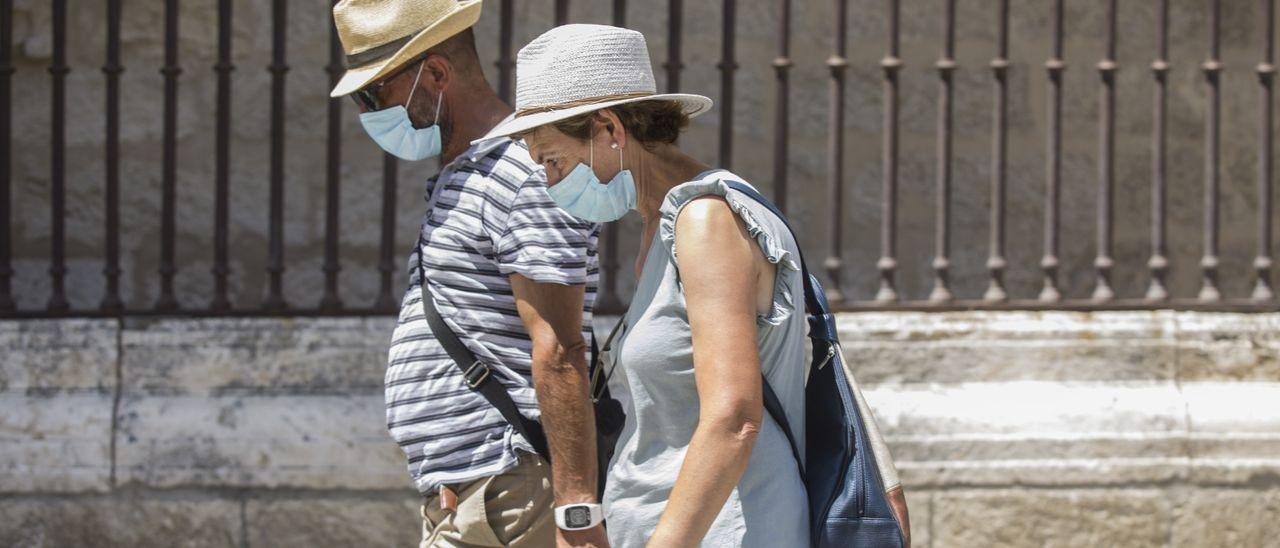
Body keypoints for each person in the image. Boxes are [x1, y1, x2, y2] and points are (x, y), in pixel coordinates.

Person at [480, 24, 809, 547]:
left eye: (553, 160)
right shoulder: (665, 227)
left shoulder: (706, 221)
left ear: (610, 129)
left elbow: (733, 419)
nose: (549, 183)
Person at [330, 3, 609, 547]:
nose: (368, 112)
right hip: (474, 497)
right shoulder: (470, 175)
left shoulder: (522, 171)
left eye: (374, 94)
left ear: (435, 74)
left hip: (512, 487)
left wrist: (578, 514)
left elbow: (560, 347)